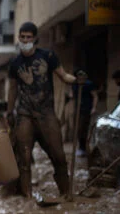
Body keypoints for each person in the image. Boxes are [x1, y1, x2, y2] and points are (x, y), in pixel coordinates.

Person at [7, 22, 77, 199]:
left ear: (35, 38)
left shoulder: (48, 56)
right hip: (24, 114)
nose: (25, 40)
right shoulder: (15, 63)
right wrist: (9, 112)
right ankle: (27, 197)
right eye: (22, 37)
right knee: (23, 159)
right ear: (19, 38)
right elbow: (13, 89)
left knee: (59, 156)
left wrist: (77, 80)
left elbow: (63, 76)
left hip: (47, 113)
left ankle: (66, 192)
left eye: (28, 37)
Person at [68, 69, 98, 157]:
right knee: (77, 129)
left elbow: (95, 96)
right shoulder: (75, 85)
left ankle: (83, 148)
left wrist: (94, 108)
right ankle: (81, 147)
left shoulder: (89, 84)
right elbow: (72, 95)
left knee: (82, 129)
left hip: (86, 109)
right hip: (78, 109)